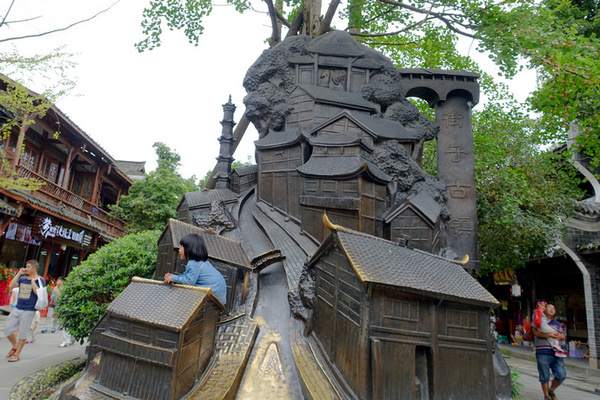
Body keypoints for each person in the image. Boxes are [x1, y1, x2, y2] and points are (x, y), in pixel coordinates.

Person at [164, 234, 227, 306]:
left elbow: (189, 281)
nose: (179, 250)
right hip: (219, 297)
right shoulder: (201, 262)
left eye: (181, 247)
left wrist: (173, 278)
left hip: (213, 297)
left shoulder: (193, 264)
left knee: (187, 290)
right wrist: (174, 277)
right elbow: (188, 275)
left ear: (189, 249)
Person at [4, 259, 45, 362]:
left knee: (23, 332)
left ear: (34, 268)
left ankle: (17, 354)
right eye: (25, 266)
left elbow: (37, 293)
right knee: (8, 330)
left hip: (29, 310)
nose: (26, 269)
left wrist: (33, 282)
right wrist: (19, 273)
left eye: (28, 267)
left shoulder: (40, 280)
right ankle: (15, 345)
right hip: (17, 307)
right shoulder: (22, 279)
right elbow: (11, 286)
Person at [532, 303, 566, 400]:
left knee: (561, 374)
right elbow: (536, 333)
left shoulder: (557, 324)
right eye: (549, 308)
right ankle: (546, 396)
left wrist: (559, 336)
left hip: (556, 352)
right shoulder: (538, 319)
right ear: (544, 309)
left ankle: (551, 390)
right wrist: (549, 335)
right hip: (542, 351)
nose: (552, 310)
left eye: (554, 309)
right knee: (544, 375)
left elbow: (563, 336)